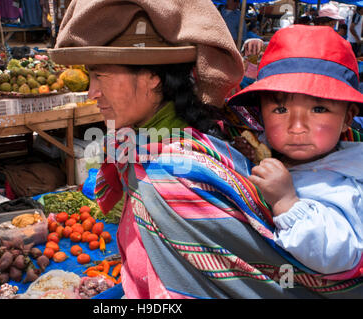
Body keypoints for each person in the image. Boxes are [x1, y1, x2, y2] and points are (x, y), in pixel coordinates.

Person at [51, 0, 363, 299]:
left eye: (100, 76)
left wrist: (286, 201)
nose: (92, 92)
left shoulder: (167, 174)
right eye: (280, 110)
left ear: (152, 79)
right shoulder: (151, 151)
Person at [227, 25, 363, 276]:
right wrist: (257, 151)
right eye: (280, 110)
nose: (297, 128)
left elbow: (336, 255)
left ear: (347, 118)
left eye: (318, 110)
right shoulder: (280, 150)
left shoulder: (343, 183)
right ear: (261, 115)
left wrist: (286, 202)